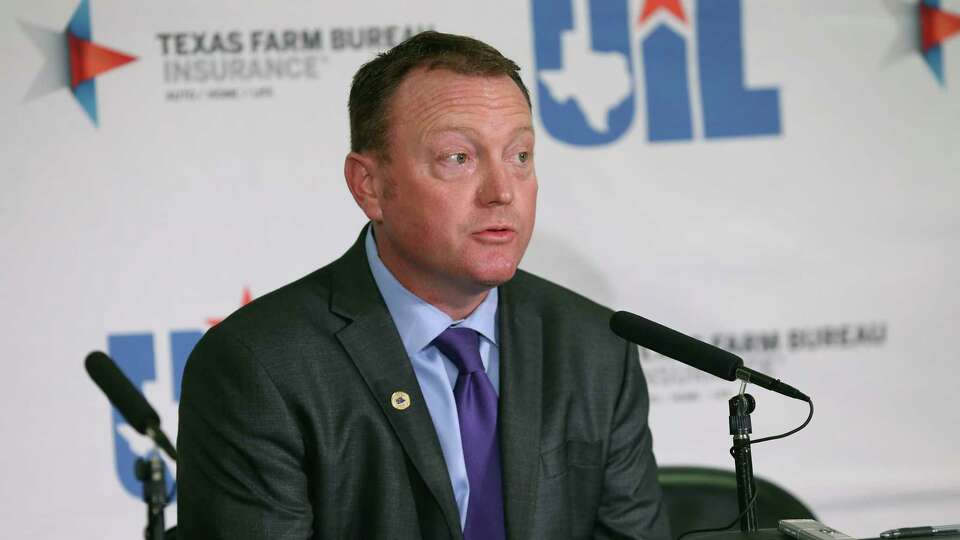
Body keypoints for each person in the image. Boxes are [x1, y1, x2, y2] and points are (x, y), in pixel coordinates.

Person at [177, 31, 669, 540]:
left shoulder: (594, 347)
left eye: (520, 155)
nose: (502, 192)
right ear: (370, 187)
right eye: (458, 158)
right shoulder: (261, 366)